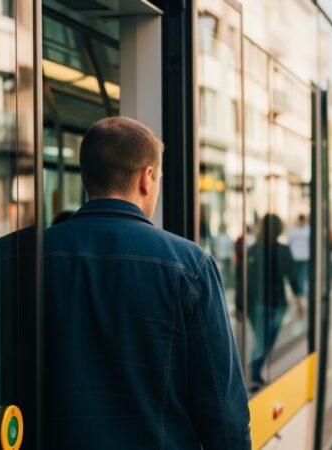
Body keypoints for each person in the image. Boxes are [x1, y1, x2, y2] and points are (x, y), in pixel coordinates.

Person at [43, 117, 250, 448]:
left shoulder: (16, 259)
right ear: (146, 177)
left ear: (85, 177)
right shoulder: (190, 266)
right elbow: (224, 411)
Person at [247, 214, 295, 389]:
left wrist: (240, 304)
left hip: (257, 304)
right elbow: (292, 276)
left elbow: (243, 279)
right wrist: (299, 299)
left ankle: (255, 371)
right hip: (276, 303)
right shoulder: (283, 250)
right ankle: (254, 373)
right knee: (266, 340)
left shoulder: (252, 250)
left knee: (262, 340)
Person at [286, 214, 311, 297]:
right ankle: (299, 294)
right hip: (296, 257)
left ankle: (300, 294)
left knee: (301, 277)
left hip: (304, 257)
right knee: (297, 277)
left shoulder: (307, 230)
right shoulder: (294, 230)